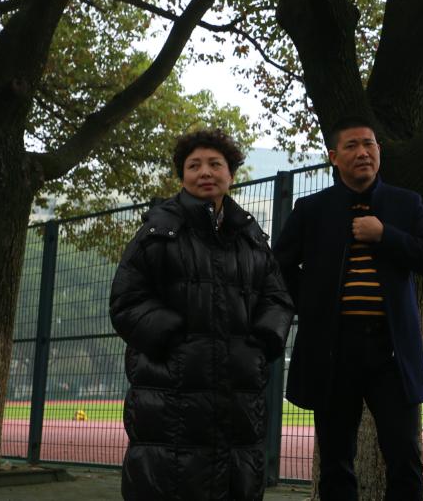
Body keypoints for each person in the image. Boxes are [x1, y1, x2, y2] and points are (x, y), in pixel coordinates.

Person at [110, 129, 294, 501]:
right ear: (182, 176)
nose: (205, 172)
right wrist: (174, 336)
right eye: (194, 166)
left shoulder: (251, 238)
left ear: (231, 174)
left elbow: (277, 298)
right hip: (169, 388)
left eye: (215, 164)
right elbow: (126, 301)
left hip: (239, 390)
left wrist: (260, 344)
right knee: (169, 481)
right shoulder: (157, 233)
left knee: (235, 481)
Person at [273, 116, 423, 501]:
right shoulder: (312, 209)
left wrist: (385, 235)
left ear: (379, 150)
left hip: (391, 350)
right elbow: (279, 267)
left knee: (404, 456)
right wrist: (312, 303)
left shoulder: (406, 203)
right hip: (334, 349)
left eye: (369, 144)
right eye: (352, 146)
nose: (363, 152)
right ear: (333, 157)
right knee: (335, 461)